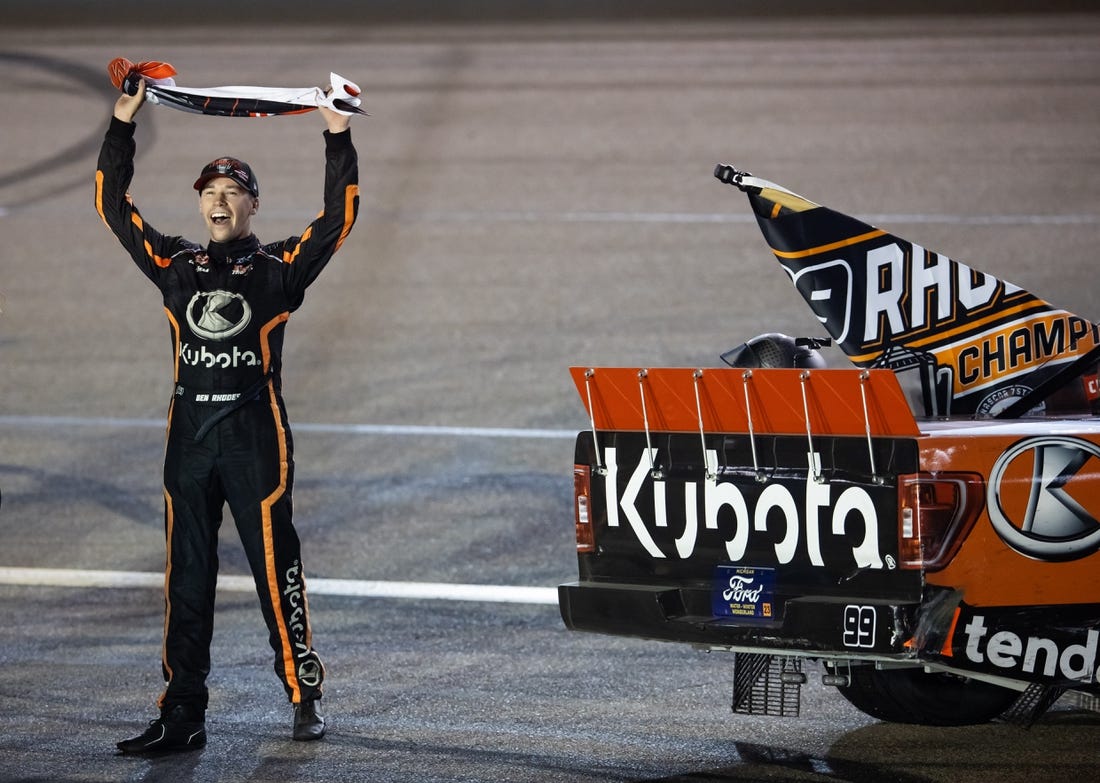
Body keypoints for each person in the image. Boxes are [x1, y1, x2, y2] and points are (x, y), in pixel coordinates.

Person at [94, 78, 360, 754]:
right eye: (208, 191)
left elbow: (338, 218)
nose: (217, 200)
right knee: (186, 578)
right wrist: (124, 119)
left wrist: (336, 135)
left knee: (278, 572)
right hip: (189, 445)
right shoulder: (174, 265)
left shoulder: (278, 270)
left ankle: (305, 696)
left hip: (255, 443)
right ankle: (182, 713)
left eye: (230, 191)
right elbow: (111, 204)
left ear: (251, 205)